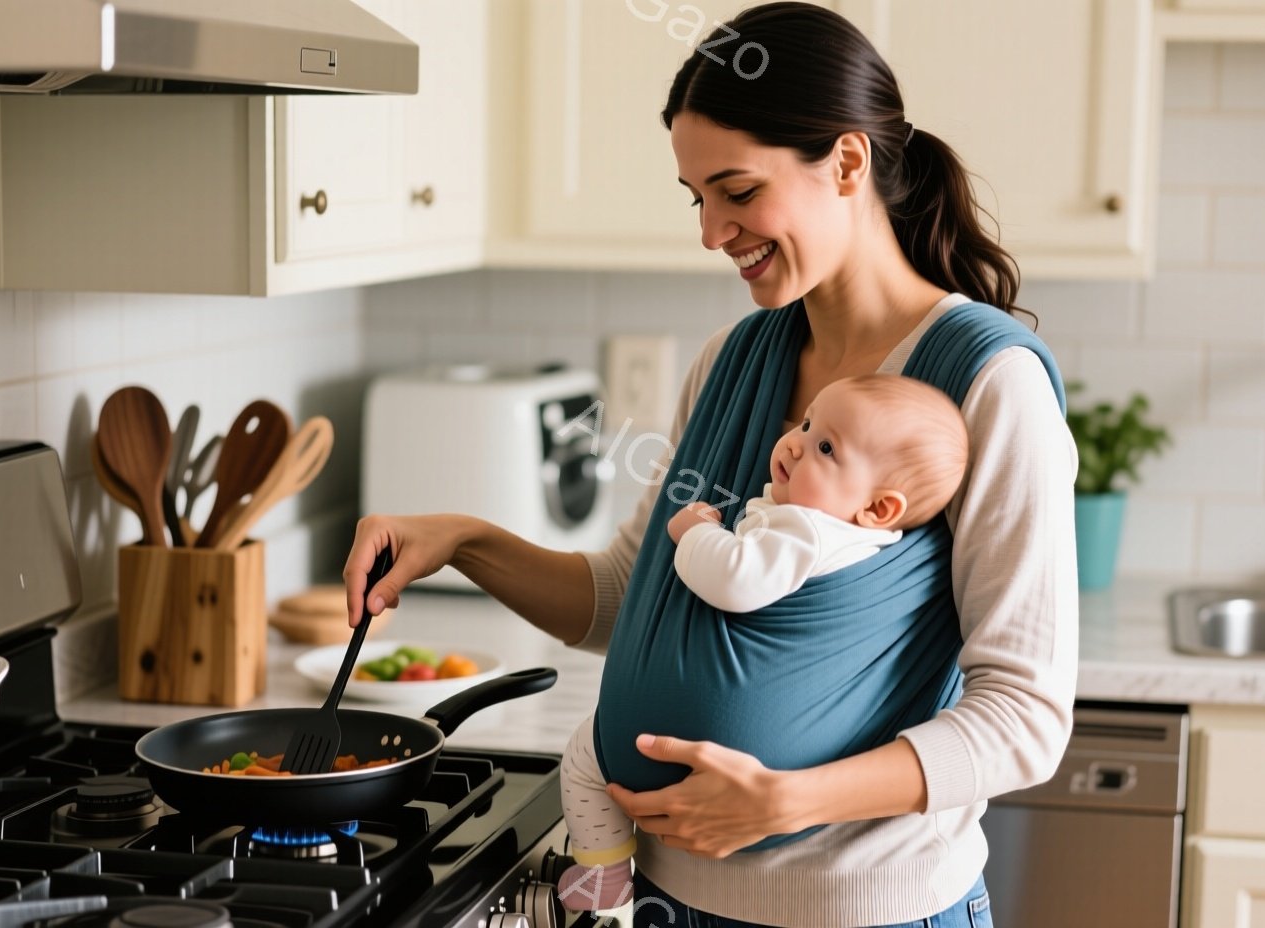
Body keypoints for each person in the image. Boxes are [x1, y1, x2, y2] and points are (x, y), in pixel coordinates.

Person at [342, 3, 1078, 926]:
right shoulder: (733, 360)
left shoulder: (987, 385)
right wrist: (463, 540)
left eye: (737, 191)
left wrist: (791, 801)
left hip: (873, 913)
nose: (711, 232)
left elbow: (1026, 719)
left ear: (847, 163)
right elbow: (627, 596)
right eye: (697, 198)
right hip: (664, 902)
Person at [552, 374, 970, 909]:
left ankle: (604, 872)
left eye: (825, 447)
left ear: (879, 508)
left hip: (845, 889)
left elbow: (737, 581)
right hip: (694, 882)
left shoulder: (810, 530)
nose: (795, 441)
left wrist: (695, 532)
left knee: (584, 755)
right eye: (806, 422)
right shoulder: (851, 531)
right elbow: (623, 586)